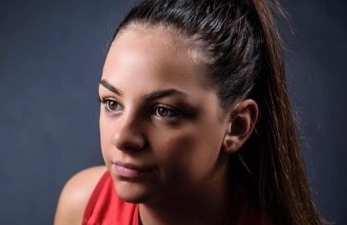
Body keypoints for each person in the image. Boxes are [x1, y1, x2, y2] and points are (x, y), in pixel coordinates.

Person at [54, 0, 324, 224]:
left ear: (237, 126)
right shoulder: (83, 206)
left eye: (163, 111)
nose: (123, 138)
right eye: (112, 103)